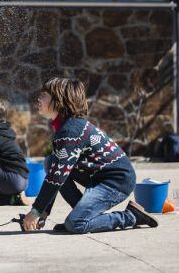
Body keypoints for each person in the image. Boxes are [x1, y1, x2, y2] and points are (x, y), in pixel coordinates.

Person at [21, 77, 158, 233]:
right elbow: (56, 171)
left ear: (59, 100)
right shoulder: (66, 127)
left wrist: (36, 211)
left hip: (116, 181)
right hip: (98, 177)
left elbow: (56, 177)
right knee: (51, 161)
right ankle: (82, 215)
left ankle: (131, 216)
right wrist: (43, 212)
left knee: (75, 224)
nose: (39, 98)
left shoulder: (70, 131)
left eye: (44, 95)